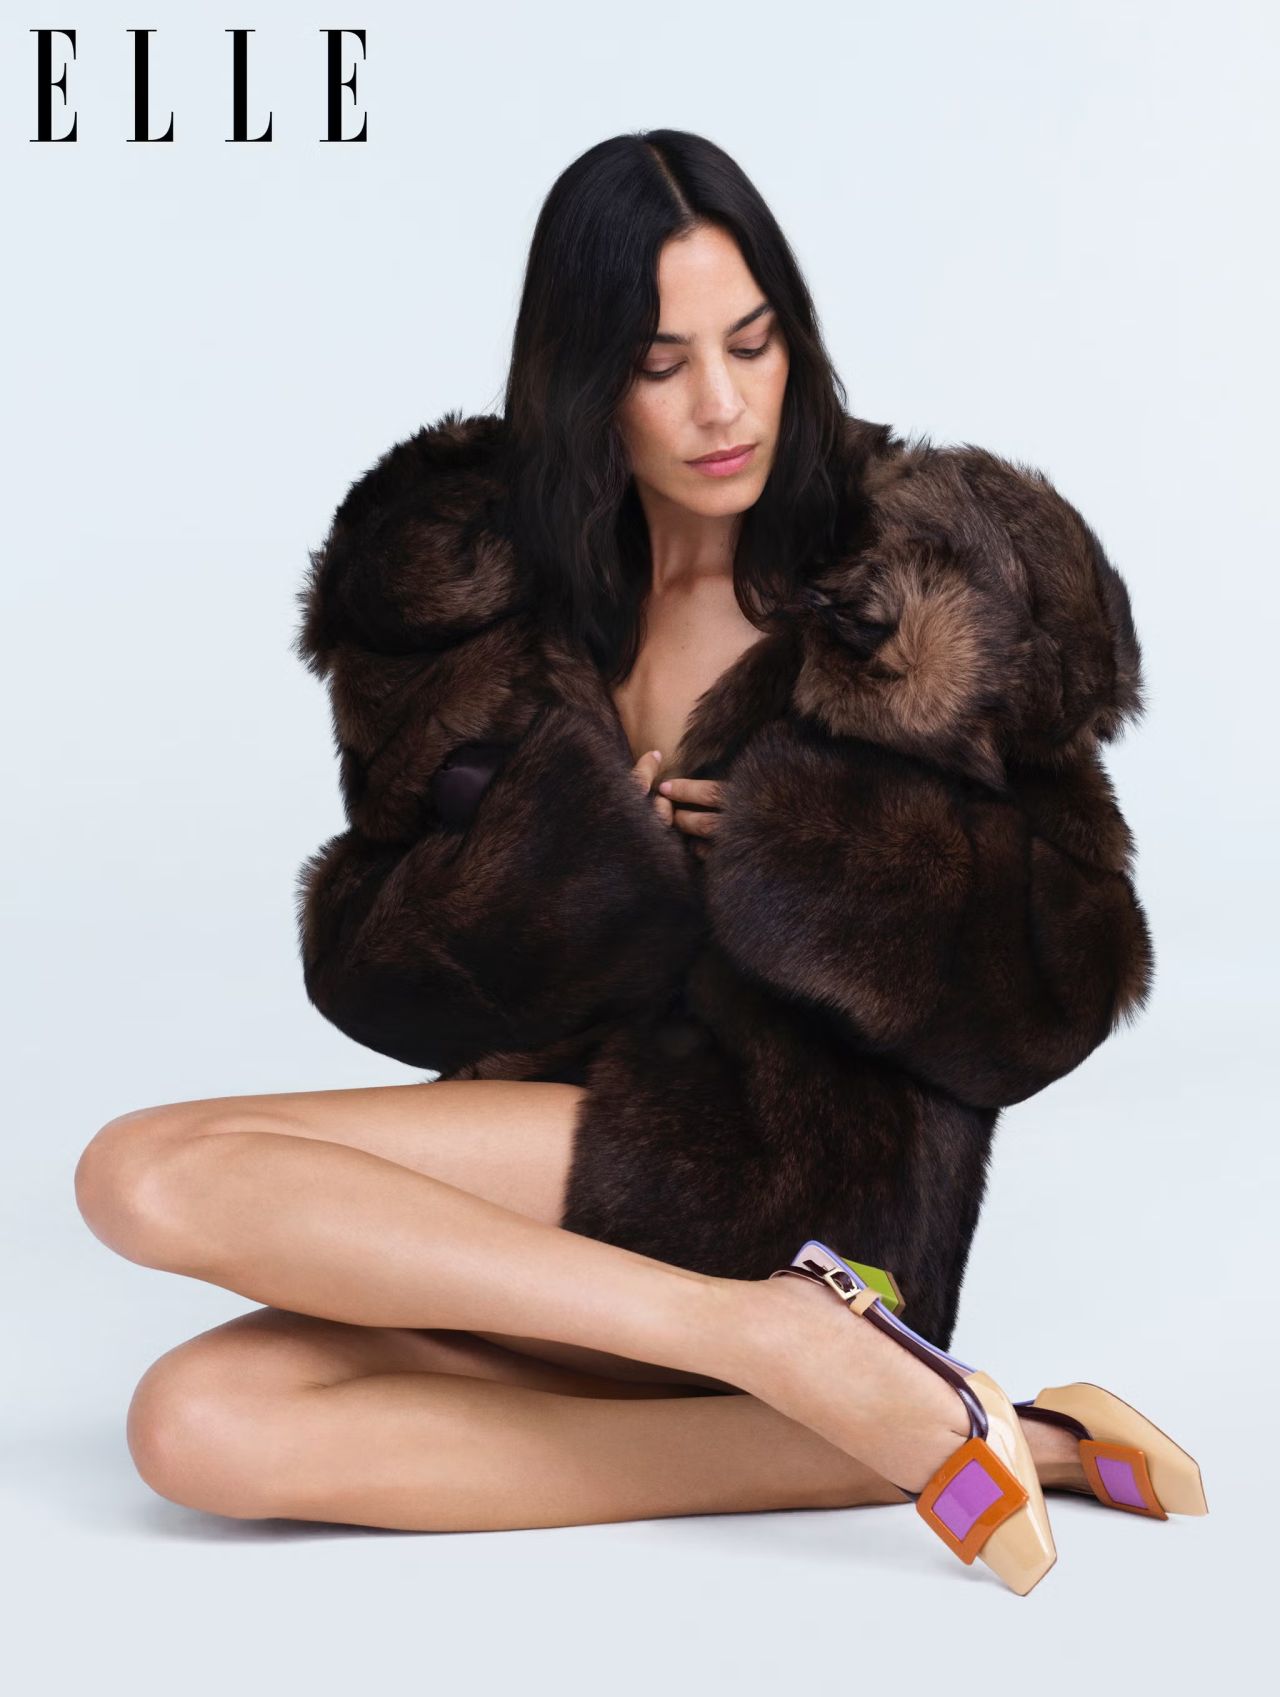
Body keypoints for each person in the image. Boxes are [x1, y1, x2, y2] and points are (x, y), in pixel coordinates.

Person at [74, 129, 1205, 1592]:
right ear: (582, 381)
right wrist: (566, 854)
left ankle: (781, 1330)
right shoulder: (480, 599)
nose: (721, 404)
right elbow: (369, 967)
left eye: (753, 343)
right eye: (661, 364)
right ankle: (972, 1431)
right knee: (195, 1426)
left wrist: (813, 857)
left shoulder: (928, 572)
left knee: (142, 1172)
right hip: (580, 1213)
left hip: (789, 1173)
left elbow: (1065, 978)